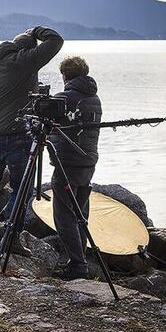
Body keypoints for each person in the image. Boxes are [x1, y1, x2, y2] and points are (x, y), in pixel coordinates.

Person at [0, 26, 64, 251]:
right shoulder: (24, 60)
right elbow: (55, 41)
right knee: (21, 186)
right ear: (28, 49)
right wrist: (36, 31)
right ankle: (11, 237)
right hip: (17, 134)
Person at [49, 56, 101, 280]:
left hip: (67, 164)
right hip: (88, 161)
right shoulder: (94, 97)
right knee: (80, 213)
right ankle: (80, 260)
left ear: (65, 75)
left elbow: (47, 124)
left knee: (64, 215)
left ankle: (78, 264)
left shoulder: (64, 98)